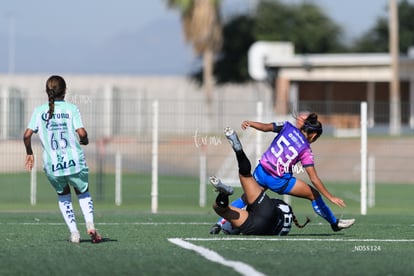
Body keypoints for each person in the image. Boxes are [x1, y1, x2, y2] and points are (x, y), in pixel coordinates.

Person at [211, 113, 355, 234]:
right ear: (314, 135)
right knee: (314, 195)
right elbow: (314, 179)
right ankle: (334, 223)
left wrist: (251, 123)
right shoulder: (306, 149)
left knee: (246, 198)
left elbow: (266, 127)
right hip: (278, 181)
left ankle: (219, 223)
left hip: (261, 172)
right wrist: (330, 197)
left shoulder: (286, 126)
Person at [23, 75, 102, 244]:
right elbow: (82, 133)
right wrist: (85, 140)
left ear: (47, 92)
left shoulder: (39, 111)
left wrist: (29, 152)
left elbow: (27, 135)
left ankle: (74, 233)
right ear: (65, 91)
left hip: (53, 166)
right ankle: (90, 225)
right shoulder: (71, 109)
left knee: (64, 195)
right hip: (75, 162)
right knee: (83, 193)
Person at [210, 127, 310, 235]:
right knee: (245, 175)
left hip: (256, 226)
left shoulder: (285, 212)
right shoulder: (281, 209)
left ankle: (223, 195)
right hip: (264, 215)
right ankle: (239, 152)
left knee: (222, 209)